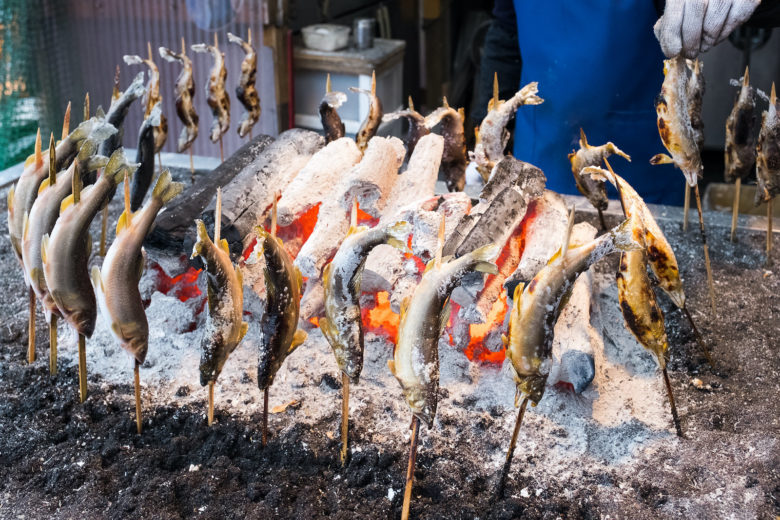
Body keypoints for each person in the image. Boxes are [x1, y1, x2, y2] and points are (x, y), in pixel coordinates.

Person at [482, 0, 768, 205]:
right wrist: (482, 135)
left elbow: (762, 14)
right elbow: (506, 31)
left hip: (637, 164)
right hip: (539, 154)